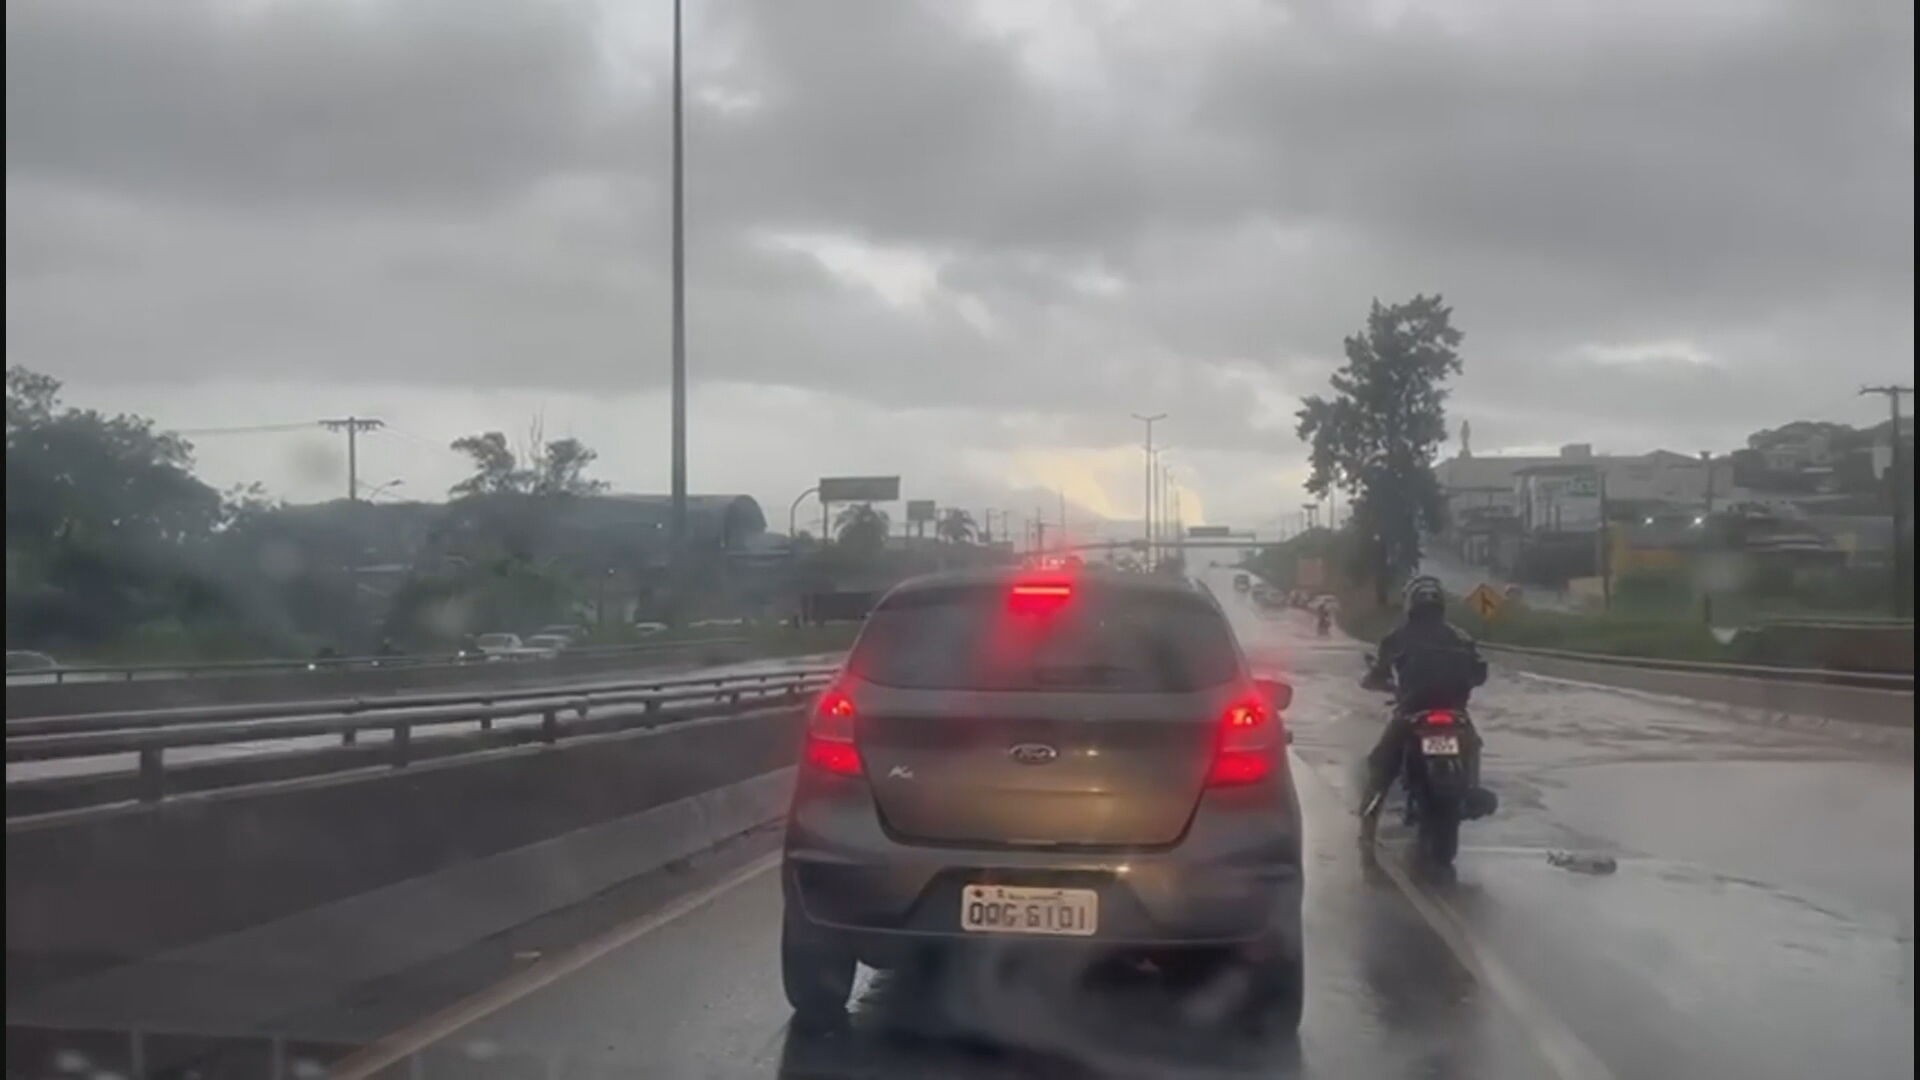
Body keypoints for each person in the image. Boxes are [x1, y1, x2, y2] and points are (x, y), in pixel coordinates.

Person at [1357, 575, 1487, 839]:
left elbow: (1378, 673)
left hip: (1412, 711)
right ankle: (1473, 789)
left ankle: (1368, 818)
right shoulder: (1460, 636)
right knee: (1473, 745)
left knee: (1380, 761)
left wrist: (1377, 681)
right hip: (1455, 712)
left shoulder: (1397, 637)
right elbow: (1480, 672)